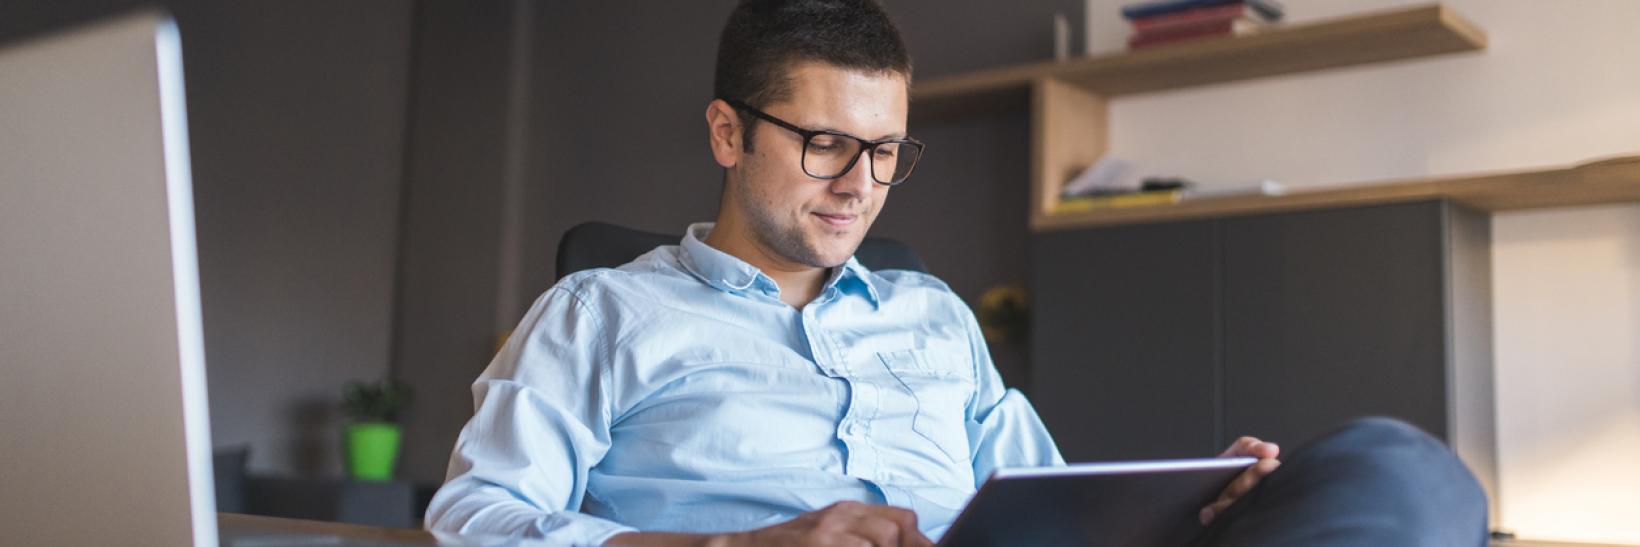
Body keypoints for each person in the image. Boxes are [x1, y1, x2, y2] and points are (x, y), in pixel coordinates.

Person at [424, 1, 1489, 545]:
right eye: (822, 143)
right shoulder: (602, 310)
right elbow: (475, 518)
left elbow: (1045, 501)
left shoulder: (928, 314)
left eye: (885, 150)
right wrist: (738, 545)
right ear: (725, 132)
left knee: (1397, 467)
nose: (860, 185)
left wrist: (1191, 503)